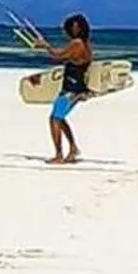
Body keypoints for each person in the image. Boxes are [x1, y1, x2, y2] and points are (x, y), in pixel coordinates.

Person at [42, 13, 94, 165]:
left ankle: (59, 155)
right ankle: (73, 149)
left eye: (69, 28)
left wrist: (45, 46)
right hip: (76, 88)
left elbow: (58, 56)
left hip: (72, 89)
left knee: (55, 119)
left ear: (76, 28)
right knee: (60, 118)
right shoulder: (87, 44)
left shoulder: (77, 43)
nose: (67, 32)